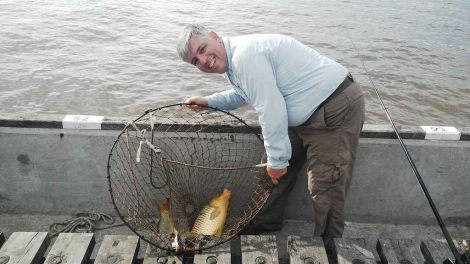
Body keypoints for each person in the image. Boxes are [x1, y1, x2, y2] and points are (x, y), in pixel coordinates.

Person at [176, 24, 365, 260]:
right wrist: (209, 102)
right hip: (301, 114)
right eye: (195, 61)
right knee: (268, 168)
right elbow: (246, 94)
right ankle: (266, 223)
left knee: (326, 185)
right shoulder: (234, 61)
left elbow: (270, 109)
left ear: (215, 37)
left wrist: (278, 161)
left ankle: (331, 249)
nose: (203, 60)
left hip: (334, 107)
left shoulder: (245, 56)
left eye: (203, 49)